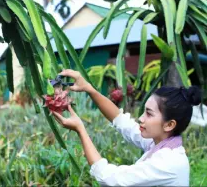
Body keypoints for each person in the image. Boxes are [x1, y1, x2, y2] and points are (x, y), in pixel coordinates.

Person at [52, 69, 201, 186]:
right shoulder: (159, 143)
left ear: (169, 125)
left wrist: (80, 129)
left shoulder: (169, 162)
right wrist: (89, 89)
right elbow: (122, 121)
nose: (141, 118)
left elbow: (109, 178)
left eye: (149, 114)